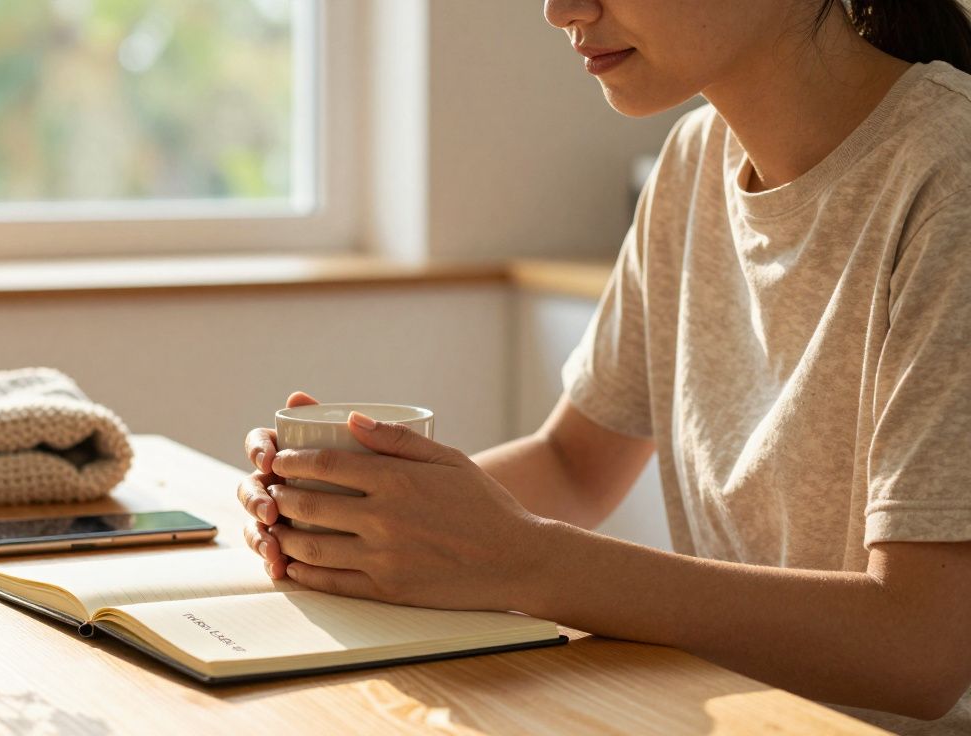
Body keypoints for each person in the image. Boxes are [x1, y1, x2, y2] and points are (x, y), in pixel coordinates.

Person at [237, 0, 971, 732]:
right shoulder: (693, 160)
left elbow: (920, 647)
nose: (560, 10)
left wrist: (522, 560)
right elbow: (572, 464)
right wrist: (358, 524)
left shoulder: (951, 173)